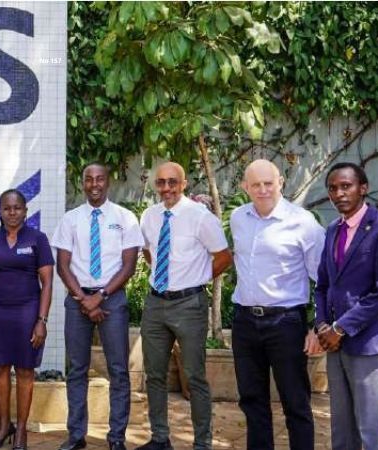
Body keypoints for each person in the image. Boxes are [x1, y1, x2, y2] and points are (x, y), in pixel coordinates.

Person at [136, 162, 232, 450]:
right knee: (153, 374)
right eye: (161, 182)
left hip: (189, 305)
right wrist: (165, 278)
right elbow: (148, 253)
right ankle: (160, 438)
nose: (166, 188)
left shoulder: (200, 217)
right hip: (155, 303)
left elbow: (223, 257)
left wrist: (195, 279)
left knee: (194, 376)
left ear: (184, 183)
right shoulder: (150, 216)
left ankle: (202, 442)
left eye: (172, 182)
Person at [230, 160, 325, 450]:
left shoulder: (303, 222)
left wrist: (317, 326)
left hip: (286, 324)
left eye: (268, 183)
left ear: (281, 182)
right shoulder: (238, 218)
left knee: (295, 402)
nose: (262, 190)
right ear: (245, 187)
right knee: (252, 401)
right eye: (255, 184)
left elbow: (324, 279)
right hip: (244, 322)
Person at [51, 163, 144, 450]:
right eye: (89, 179)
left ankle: (116, 437)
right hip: (78, 300)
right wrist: (83, 298)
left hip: (112, 300)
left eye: (99, 178)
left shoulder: (125, 218)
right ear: (83, 183)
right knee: (76, 369)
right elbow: (62, 265)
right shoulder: (70, 219)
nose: (94, 184)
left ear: (108, 182)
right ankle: (76, 435)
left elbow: (129, 265)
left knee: (118, 369)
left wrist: (101, 295)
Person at [314, 162, 378, 450]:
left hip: (367, 341)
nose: (339, 193)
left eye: (346, 186)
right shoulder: (332, 230)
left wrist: (341, 328)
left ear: (363, 188)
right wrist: (321, 325)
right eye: (332, 188)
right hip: (334, 343)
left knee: (369, 428)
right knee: (341, 426)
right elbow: (323, 285)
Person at [0, 189, 54, 450]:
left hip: (27, 313)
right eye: (6, 208)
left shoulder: (37, 239)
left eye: (17, 207)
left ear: (25, 211)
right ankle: (4, 426)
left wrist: (42, 319)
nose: (12, 212)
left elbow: (48, 281)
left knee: (25, 370)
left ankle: (21, 430)